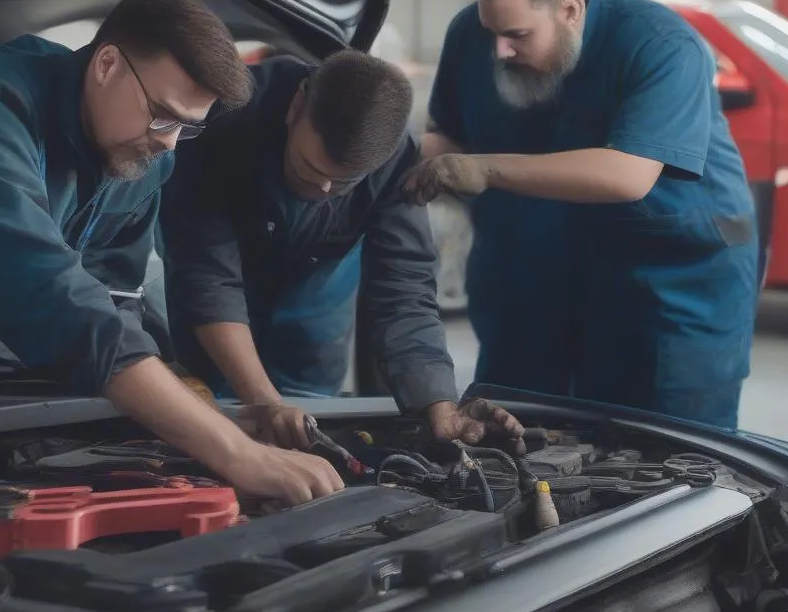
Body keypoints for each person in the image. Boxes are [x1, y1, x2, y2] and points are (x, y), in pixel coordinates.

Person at [0, 0, 344, 505]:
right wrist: (237, 454)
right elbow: (54, 300)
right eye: (162, 114)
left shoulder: (141, 159)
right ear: (106, 64)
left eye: (187, 127)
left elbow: (115, 303)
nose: (168, 141)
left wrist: (209, 416)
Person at [405, 0, 759, 430]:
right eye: (493, 32)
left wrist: (483, 169)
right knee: (514, 435)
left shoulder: (660, 45)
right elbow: (449, 137)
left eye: (519, 36)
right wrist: (378, 159)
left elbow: (626, 175)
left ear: (570, 11)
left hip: (671, 284)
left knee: (669, 456)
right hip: (535, 274)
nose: (501, 50)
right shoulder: (475, 33)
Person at [160, 49, 527, 451]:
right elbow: (209, 277)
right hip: (216, 318)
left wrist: (438, 405)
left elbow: (404, 289)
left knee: (309, 430)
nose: (322, 190)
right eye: (310, 168)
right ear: (296, 106)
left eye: (343, 184)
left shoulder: (394, 159)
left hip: (314, 316)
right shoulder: (228, 118)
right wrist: (264, 403)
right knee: (212, 427)